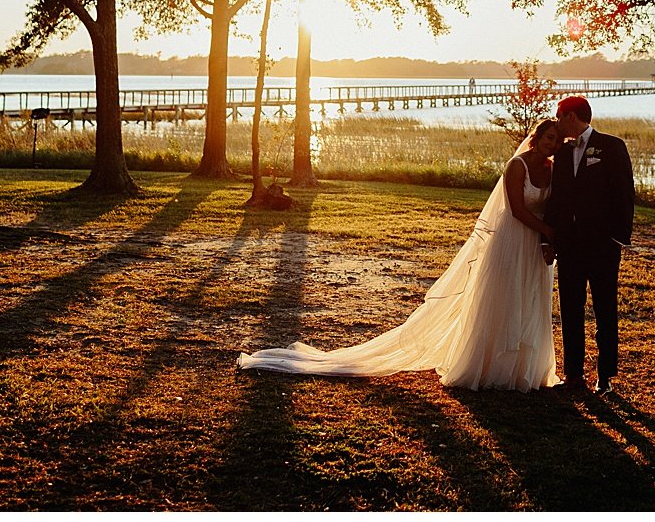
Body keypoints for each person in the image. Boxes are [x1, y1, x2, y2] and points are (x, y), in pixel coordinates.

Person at [236, 119, 564, 392]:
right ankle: (490, 367)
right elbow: (517, 209)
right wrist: (548, 231)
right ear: (537, 138)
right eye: (549, 137)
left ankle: (525, 369)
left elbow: (553, 206)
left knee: (530, 300)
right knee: (502, 300)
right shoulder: (516, 166)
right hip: (510, 240)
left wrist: (549, 238)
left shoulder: (553, 169)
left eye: (557, 139)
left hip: (534, 244)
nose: (553, 143)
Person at [544, 96, 634, 396]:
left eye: (558, 116)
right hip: (569, 244)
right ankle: (573, 375)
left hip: (603, 246)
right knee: (570, 308)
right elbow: (556, 197)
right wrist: (550, 238)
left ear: (571, 116)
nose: (556, 121)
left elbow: (624, 194)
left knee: (605, 309)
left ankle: (605, 376)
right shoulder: (563, 150)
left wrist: (617, 238)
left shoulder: (611, 146)